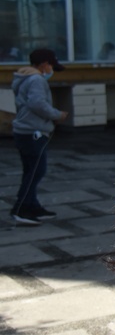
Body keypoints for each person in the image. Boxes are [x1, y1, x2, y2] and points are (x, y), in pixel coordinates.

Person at [9, 48, 68, 225]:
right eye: (51, 65)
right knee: (36, 171)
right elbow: (38, 104)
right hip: (33, 132)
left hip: (25, 131)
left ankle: (33, 205)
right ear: (44, 64)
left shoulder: (25, 77)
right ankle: (21, 208)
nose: (51, 70)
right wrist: (57, 115)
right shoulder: (36, 79)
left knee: (31, 171)